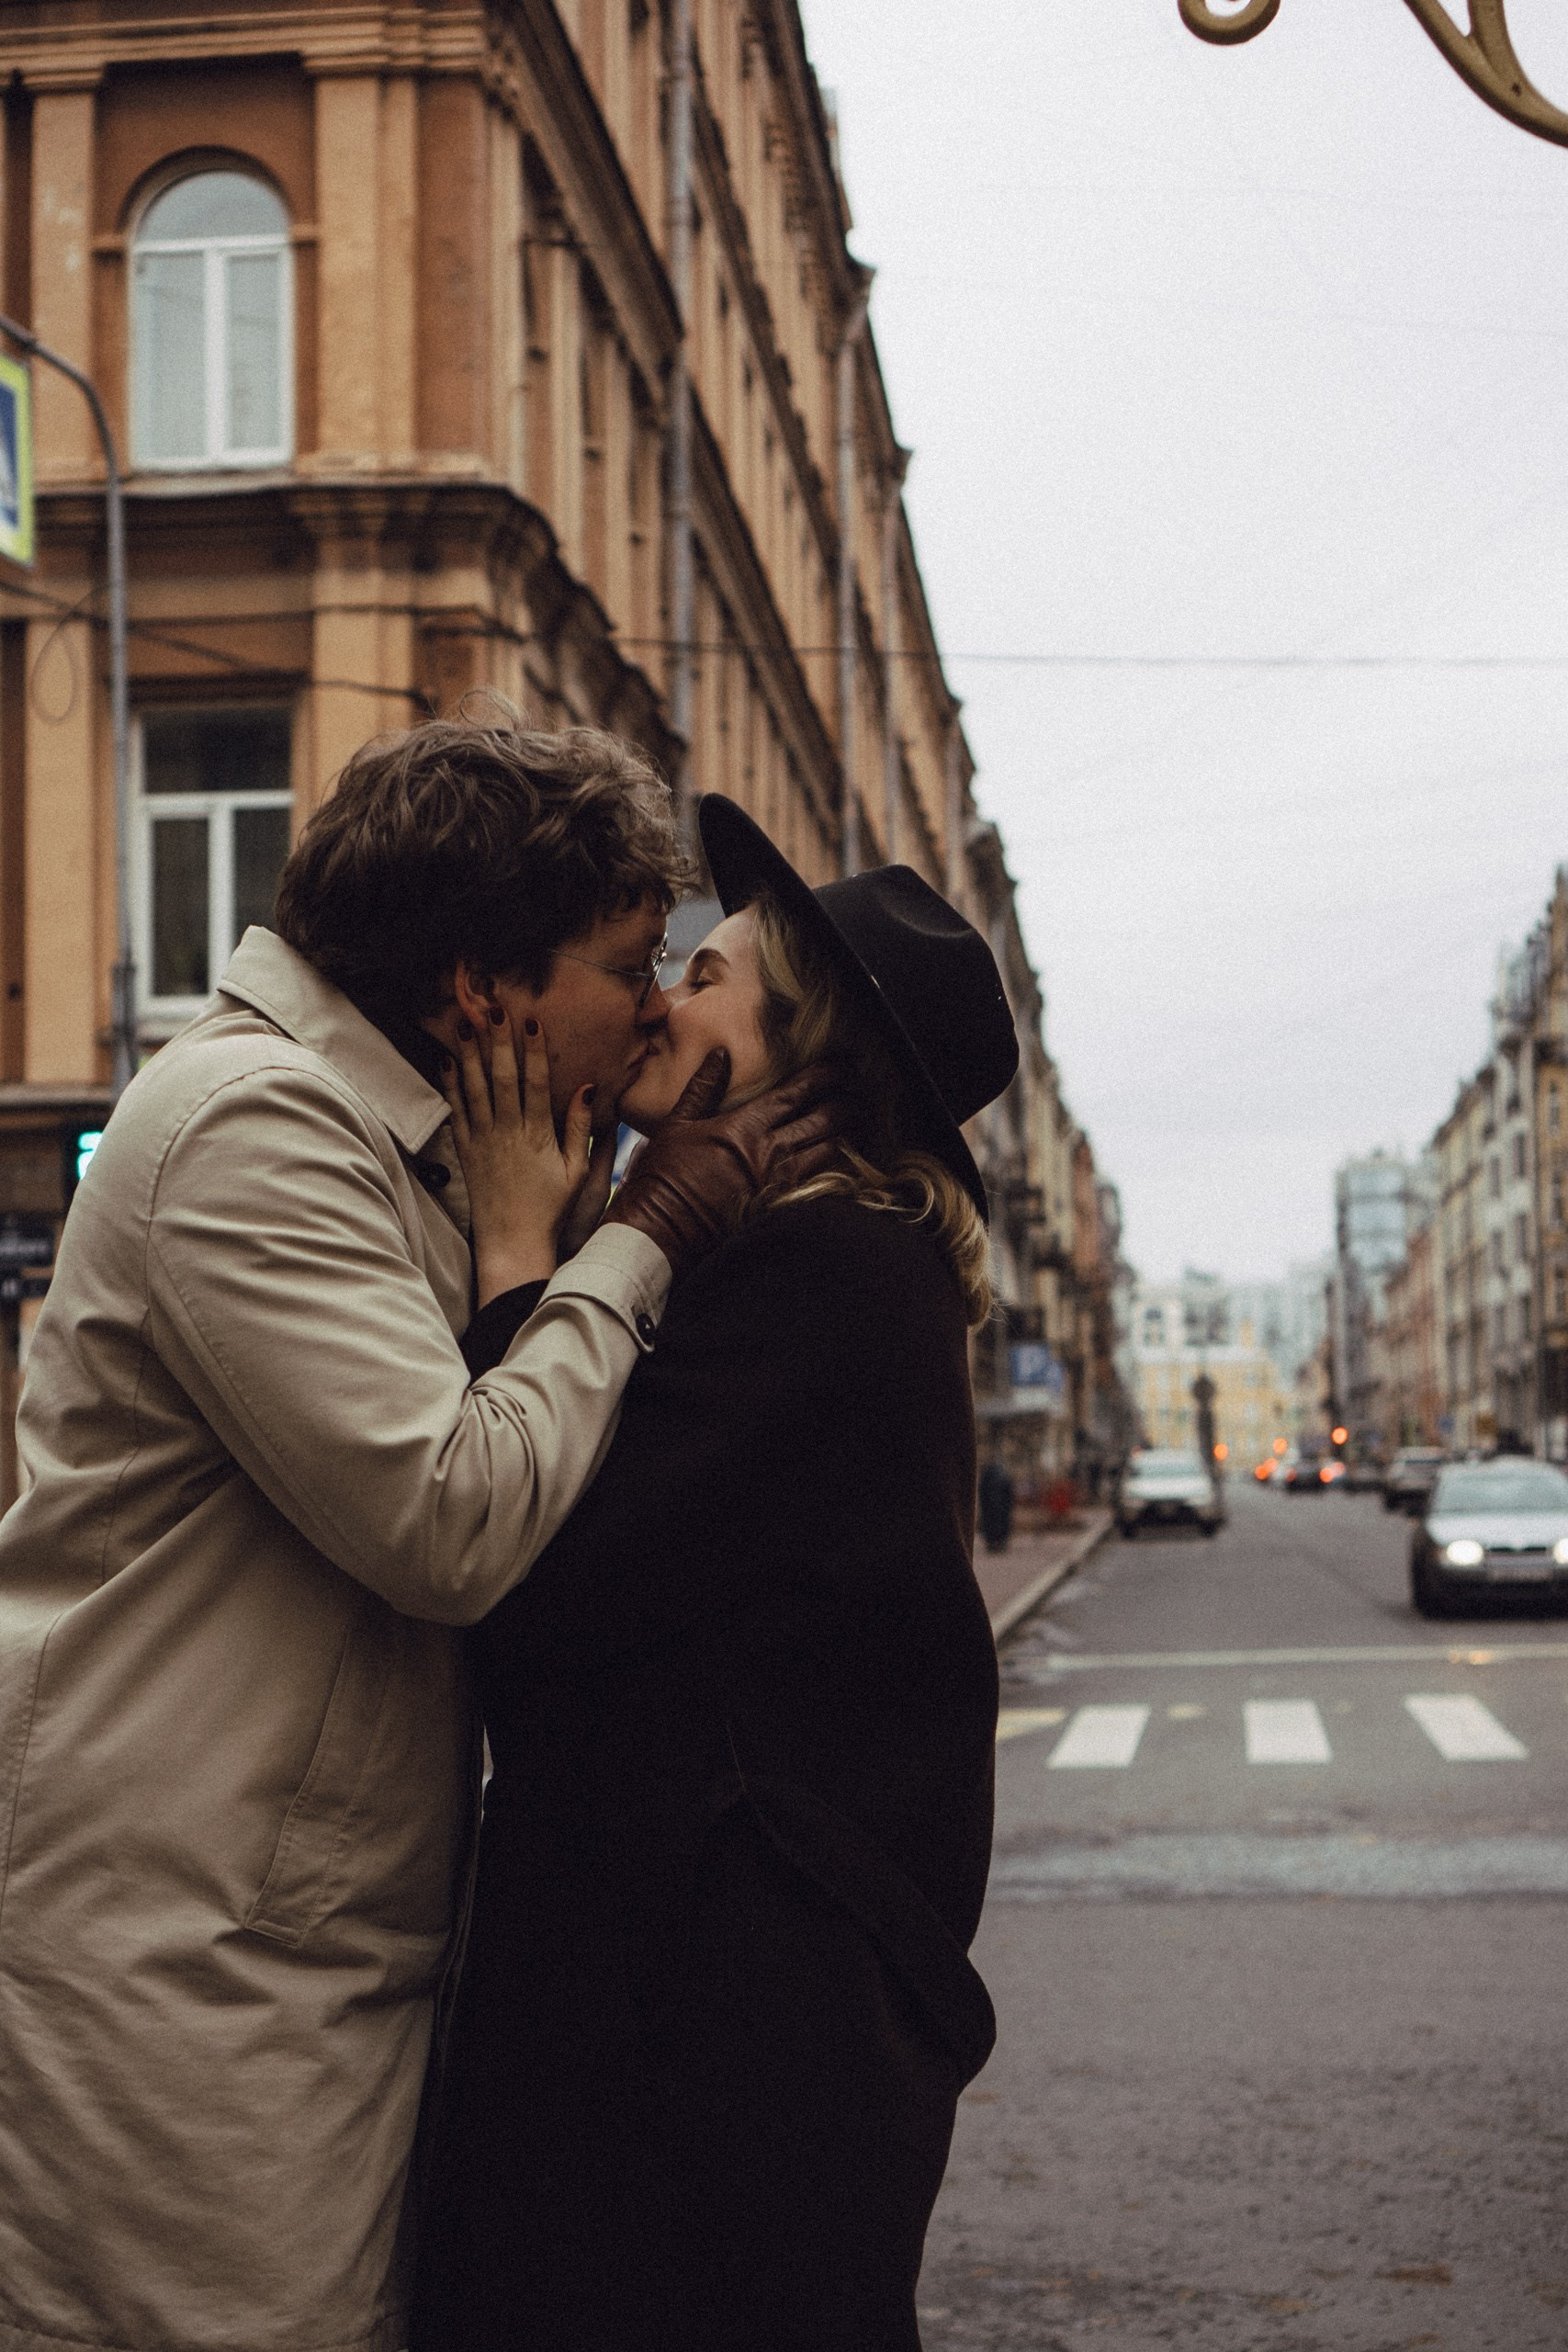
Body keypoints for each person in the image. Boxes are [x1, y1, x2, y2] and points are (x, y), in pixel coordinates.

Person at [0, 718, 837, 2352]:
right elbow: (452, 1518)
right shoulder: (257, 1126)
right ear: (481, 988)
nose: (658, 1005)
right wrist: (647, 1233)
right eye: (625, 964)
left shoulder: (428, 1138)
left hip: (287, 1936)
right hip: (179, 1961)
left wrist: (546, 1229)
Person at [414, 794, 1021, 2352]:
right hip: (711, 2006)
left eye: (705, 975)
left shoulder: (822, 1272)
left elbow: (534, 1569)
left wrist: (509, 1260)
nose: (659, 996)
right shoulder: (785, 1261)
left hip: (715, 2038)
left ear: (794, 1058)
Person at [978, 1453, 1015, 1552]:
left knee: (991, 1525)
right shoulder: (1002, 1473)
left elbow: (982, 1491)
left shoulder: (987, 1474)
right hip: (1001, 1506)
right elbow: (1009, 1491)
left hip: (991, 1505)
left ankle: (993, 1544)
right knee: (1000, 1525)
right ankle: (1000, 1543)